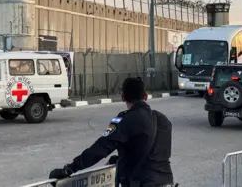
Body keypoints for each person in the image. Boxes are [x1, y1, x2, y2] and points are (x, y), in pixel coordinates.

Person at [48, 77, 176, 187]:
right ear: (145, 96)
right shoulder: (163, 120)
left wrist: (69, 169)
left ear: (122, 97)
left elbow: (100, 148)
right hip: (167, 182)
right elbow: (152, 152)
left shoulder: (124, 119)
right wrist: (122, 158)